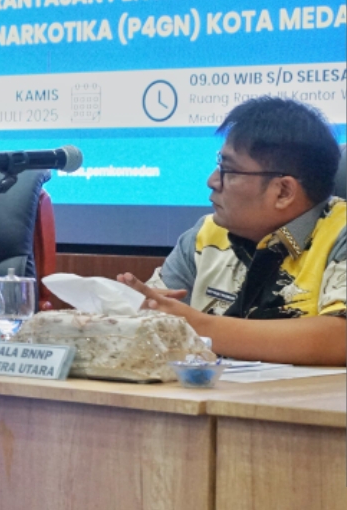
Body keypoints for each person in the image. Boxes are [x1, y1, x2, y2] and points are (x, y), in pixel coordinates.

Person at [118, 97, 345, 366]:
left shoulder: (339, 233)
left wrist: (197, 325)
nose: (212, 181)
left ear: (283, 192)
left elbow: (340, 338)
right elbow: (150, 321)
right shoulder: (206, 235)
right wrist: (140, 310)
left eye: (228, 170)